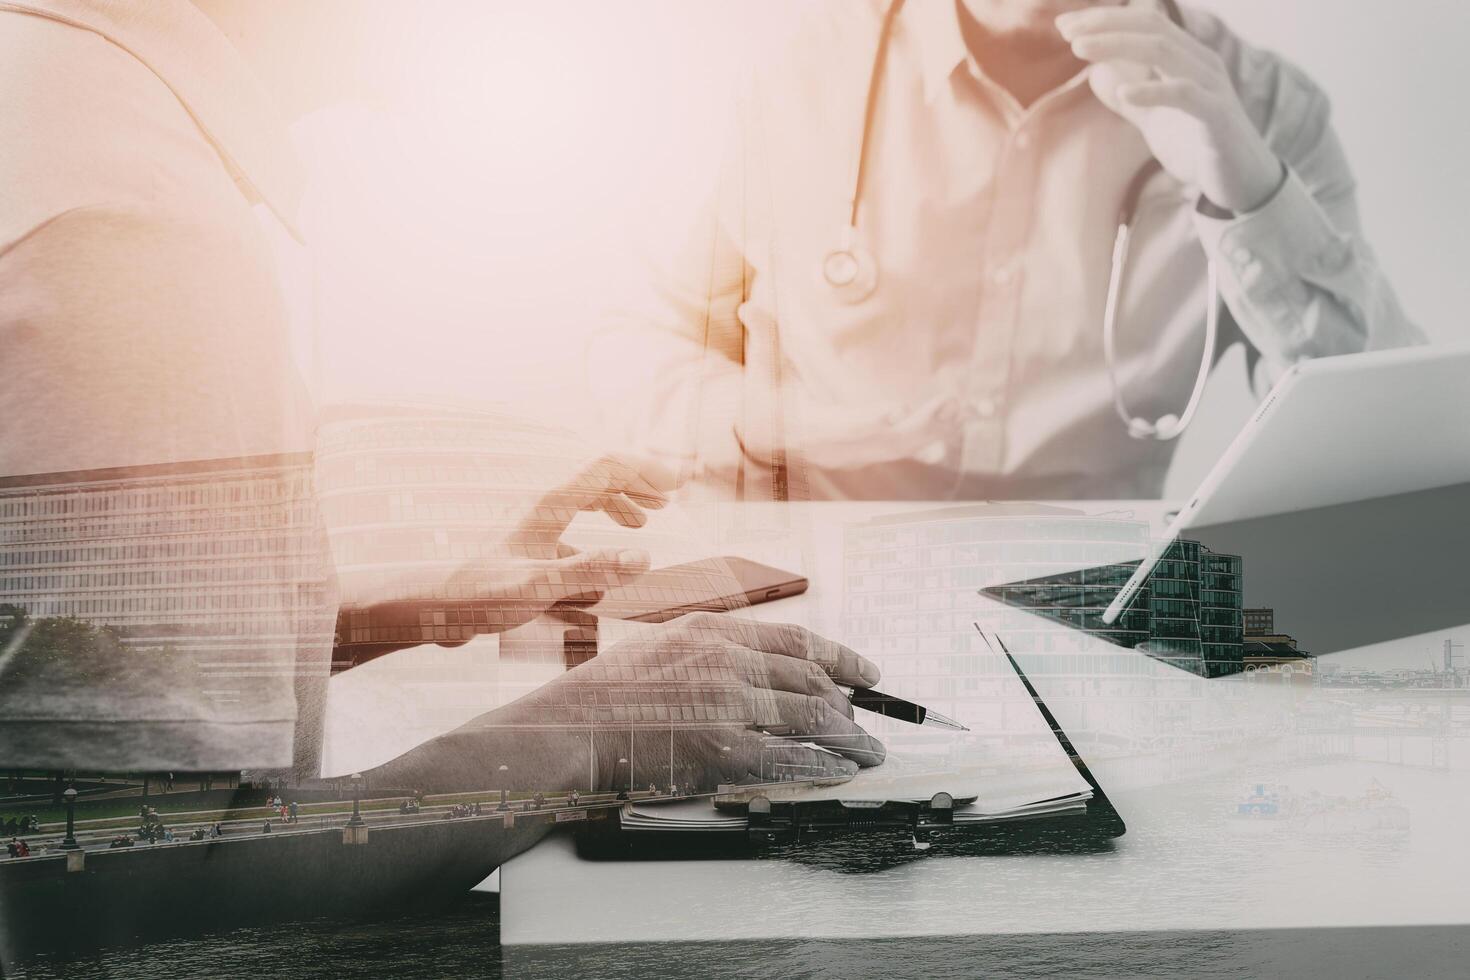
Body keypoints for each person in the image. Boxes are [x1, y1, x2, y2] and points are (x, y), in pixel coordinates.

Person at [595, 0, 1424, 502]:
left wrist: (1249, 188)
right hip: (820, 585)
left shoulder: (1266, 112)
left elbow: (1397, 443)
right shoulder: (805, 74)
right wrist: (759, 423)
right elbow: (641, 349)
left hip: (1097, 603)